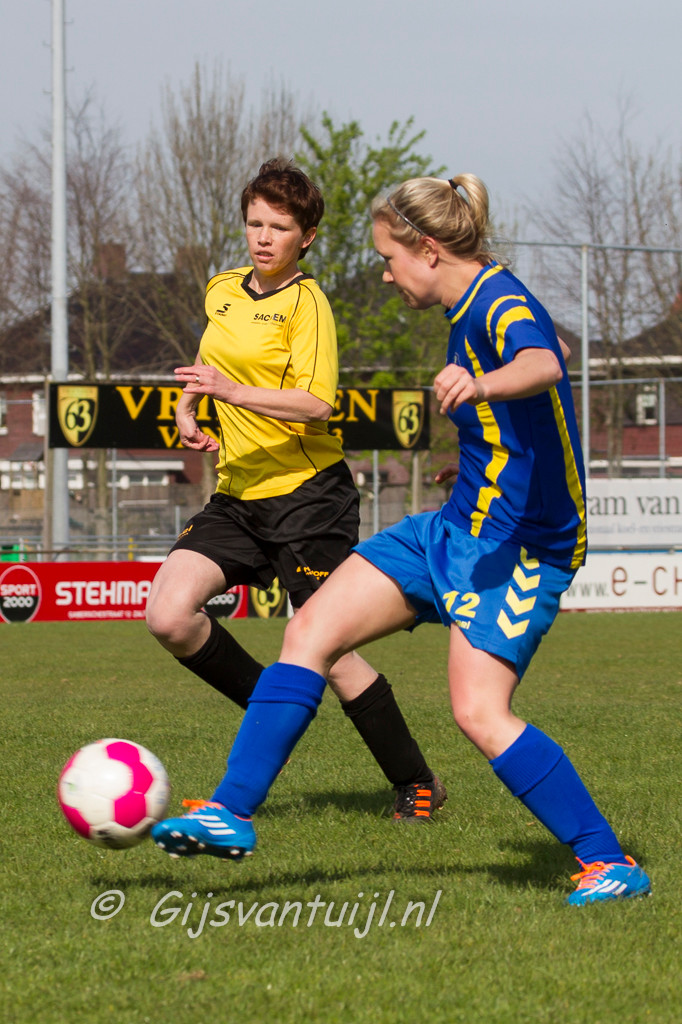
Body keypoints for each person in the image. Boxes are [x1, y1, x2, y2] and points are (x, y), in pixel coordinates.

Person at [151, 171, 651, 906]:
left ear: (427, 249)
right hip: (450, 527)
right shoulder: (467, 305)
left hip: (518, 547)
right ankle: (230, 811)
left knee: (479, 714)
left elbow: (546, 362)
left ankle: (608, 862)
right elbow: (547, 361)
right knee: (310, 632)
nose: (385, 274)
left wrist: (483, 385)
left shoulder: (500, 301)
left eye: (389, 258)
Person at [145, 158, 446, 823]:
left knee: (329, 651)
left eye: (279, 227)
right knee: (168, 614)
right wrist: (190, 408)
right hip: (237, 494)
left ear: (305, 237)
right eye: (255, 223)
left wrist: (230, 392)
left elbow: (316, 404)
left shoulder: (309, 305)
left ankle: (416, 781)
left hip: (309, 499)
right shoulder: (222, 289)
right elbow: (211, 362)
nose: (263, 237)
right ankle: (274, 710)